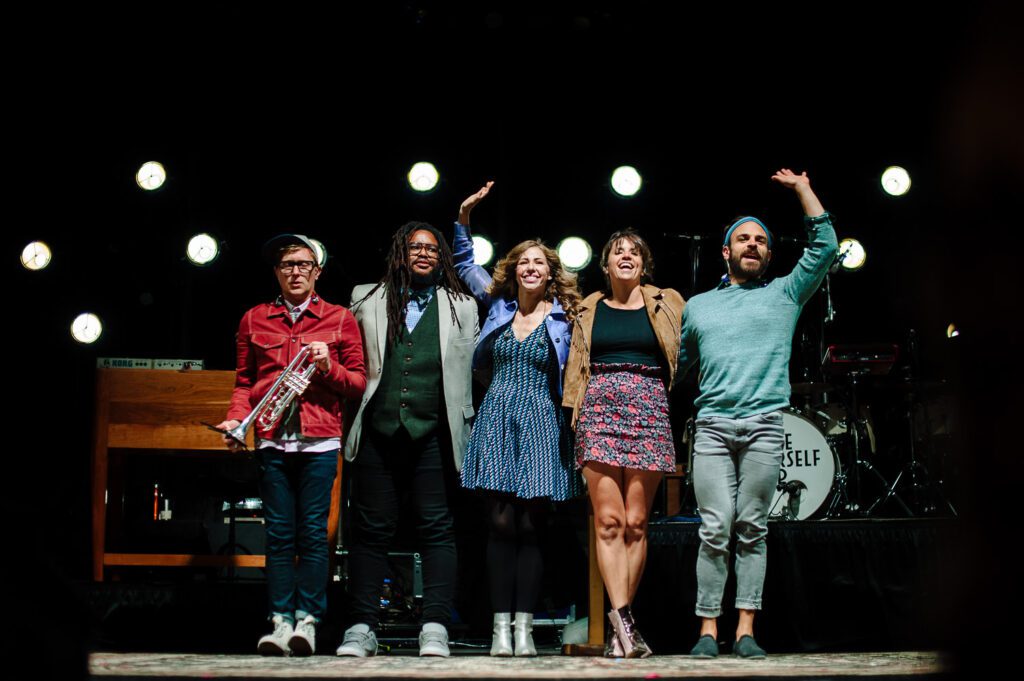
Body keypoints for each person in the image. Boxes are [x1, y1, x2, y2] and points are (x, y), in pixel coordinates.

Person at [679, 169, 838, 659]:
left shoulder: (785, 294)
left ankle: (745, 628)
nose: (753, 245)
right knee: (715, 527)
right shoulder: (698, 307)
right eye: (743, 239)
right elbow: (678, 367)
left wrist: (802, 189)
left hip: (765, 427)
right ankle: (708, 630)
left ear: (769, 254)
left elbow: (826, 246)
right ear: (725, 252)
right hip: (711, 429)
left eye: (761, 241)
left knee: (751, 526)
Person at [216, 233, 367, 656]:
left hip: (320, 441)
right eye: (287, 265)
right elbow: (244, 382)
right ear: (277, 273)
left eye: (303, 264)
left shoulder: (339, 318)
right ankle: (280, 621)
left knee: (313, 536)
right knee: (279, 535)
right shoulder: (253, 319)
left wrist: (327, 367)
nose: (295, 272)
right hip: (271, 439)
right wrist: (236, 419)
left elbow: (357, 384)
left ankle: (309, 622)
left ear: (317, 271)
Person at [451, 182, 584, 656]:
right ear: (514, 270)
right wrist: (464, 217)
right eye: (523, 262)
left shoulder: (566, 317)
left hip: (542, 420)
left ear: (550, 273)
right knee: (499, 525)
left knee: (531, 526)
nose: (531, 268)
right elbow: (465, 265)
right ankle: (499, 628)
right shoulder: (498, 306)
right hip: (498, 416)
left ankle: (525, 626)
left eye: (539, 262)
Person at [336, 221, 479, 658]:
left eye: (432, 250)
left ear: (442, 259)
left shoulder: (463, 306)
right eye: (415, 247)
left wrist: (465, 227)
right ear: (400, 252)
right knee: (371, 531)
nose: (424, 255)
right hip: (378, 430)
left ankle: (434, 624)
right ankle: (362, 626)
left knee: (437, 530)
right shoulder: (365, 297)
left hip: (435, 432)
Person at [562, 229, 685, 658]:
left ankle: (620, 630)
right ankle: (626, 625)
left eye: (634, 252)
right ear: (606, 265)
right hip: (598, 409)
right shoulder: (588, 307)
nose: (626, 257)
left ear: (644, 264)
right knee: (609, 522)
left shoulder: (668, 302)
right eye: (618, 252)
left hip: (650, 409)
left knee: (635, 523)